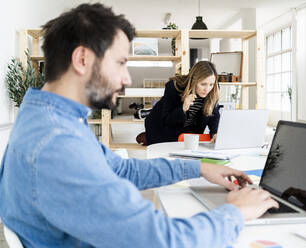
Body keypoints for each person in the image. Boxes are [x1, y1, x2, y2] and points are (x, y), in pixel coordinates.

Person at [0, 3, 278, 248]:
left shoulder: (50, 119)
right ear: (82, 59)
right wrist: (236, 213)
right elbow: (163, 240)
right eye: (120, 63)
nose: (127, 79)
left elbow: (121, 169)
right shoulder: (58, 144)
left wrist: (199, 168)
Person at [144, 61, 220, 145]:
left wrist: (214, 133)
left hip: (187, 131)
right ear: (194, 80)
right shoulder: (174, 87)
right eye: (203, 84)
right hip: (160, 128)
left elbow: (214, 115)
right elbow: (167, 120)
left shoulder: (214, 89)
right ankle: (146, 137)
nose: (207, 89)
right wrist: (183, 108)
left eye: (211, 84)